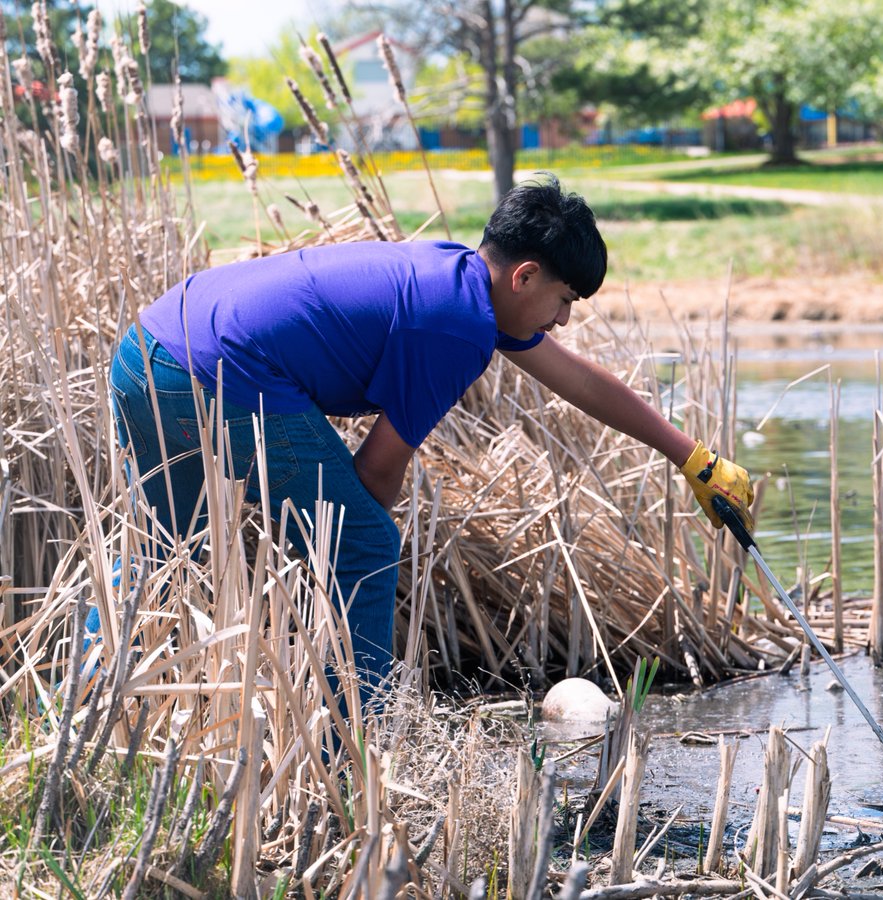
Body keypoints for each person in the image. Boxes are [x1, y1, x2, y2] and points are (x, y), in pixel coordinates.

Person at [109, 175, 754, 697]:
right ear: (525, 276)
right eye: (563, 300)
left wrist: (689, 456)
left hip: (147, 351)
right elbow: (378, 474)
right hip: (219, 376)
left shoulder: (459, 278)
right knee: (364, 541)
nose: (562, 320)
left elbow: (579, 381)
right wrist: (338, 554)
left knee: (162, 553)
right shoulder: (456, 327)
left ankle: (79, 707)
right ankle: (352, 748)